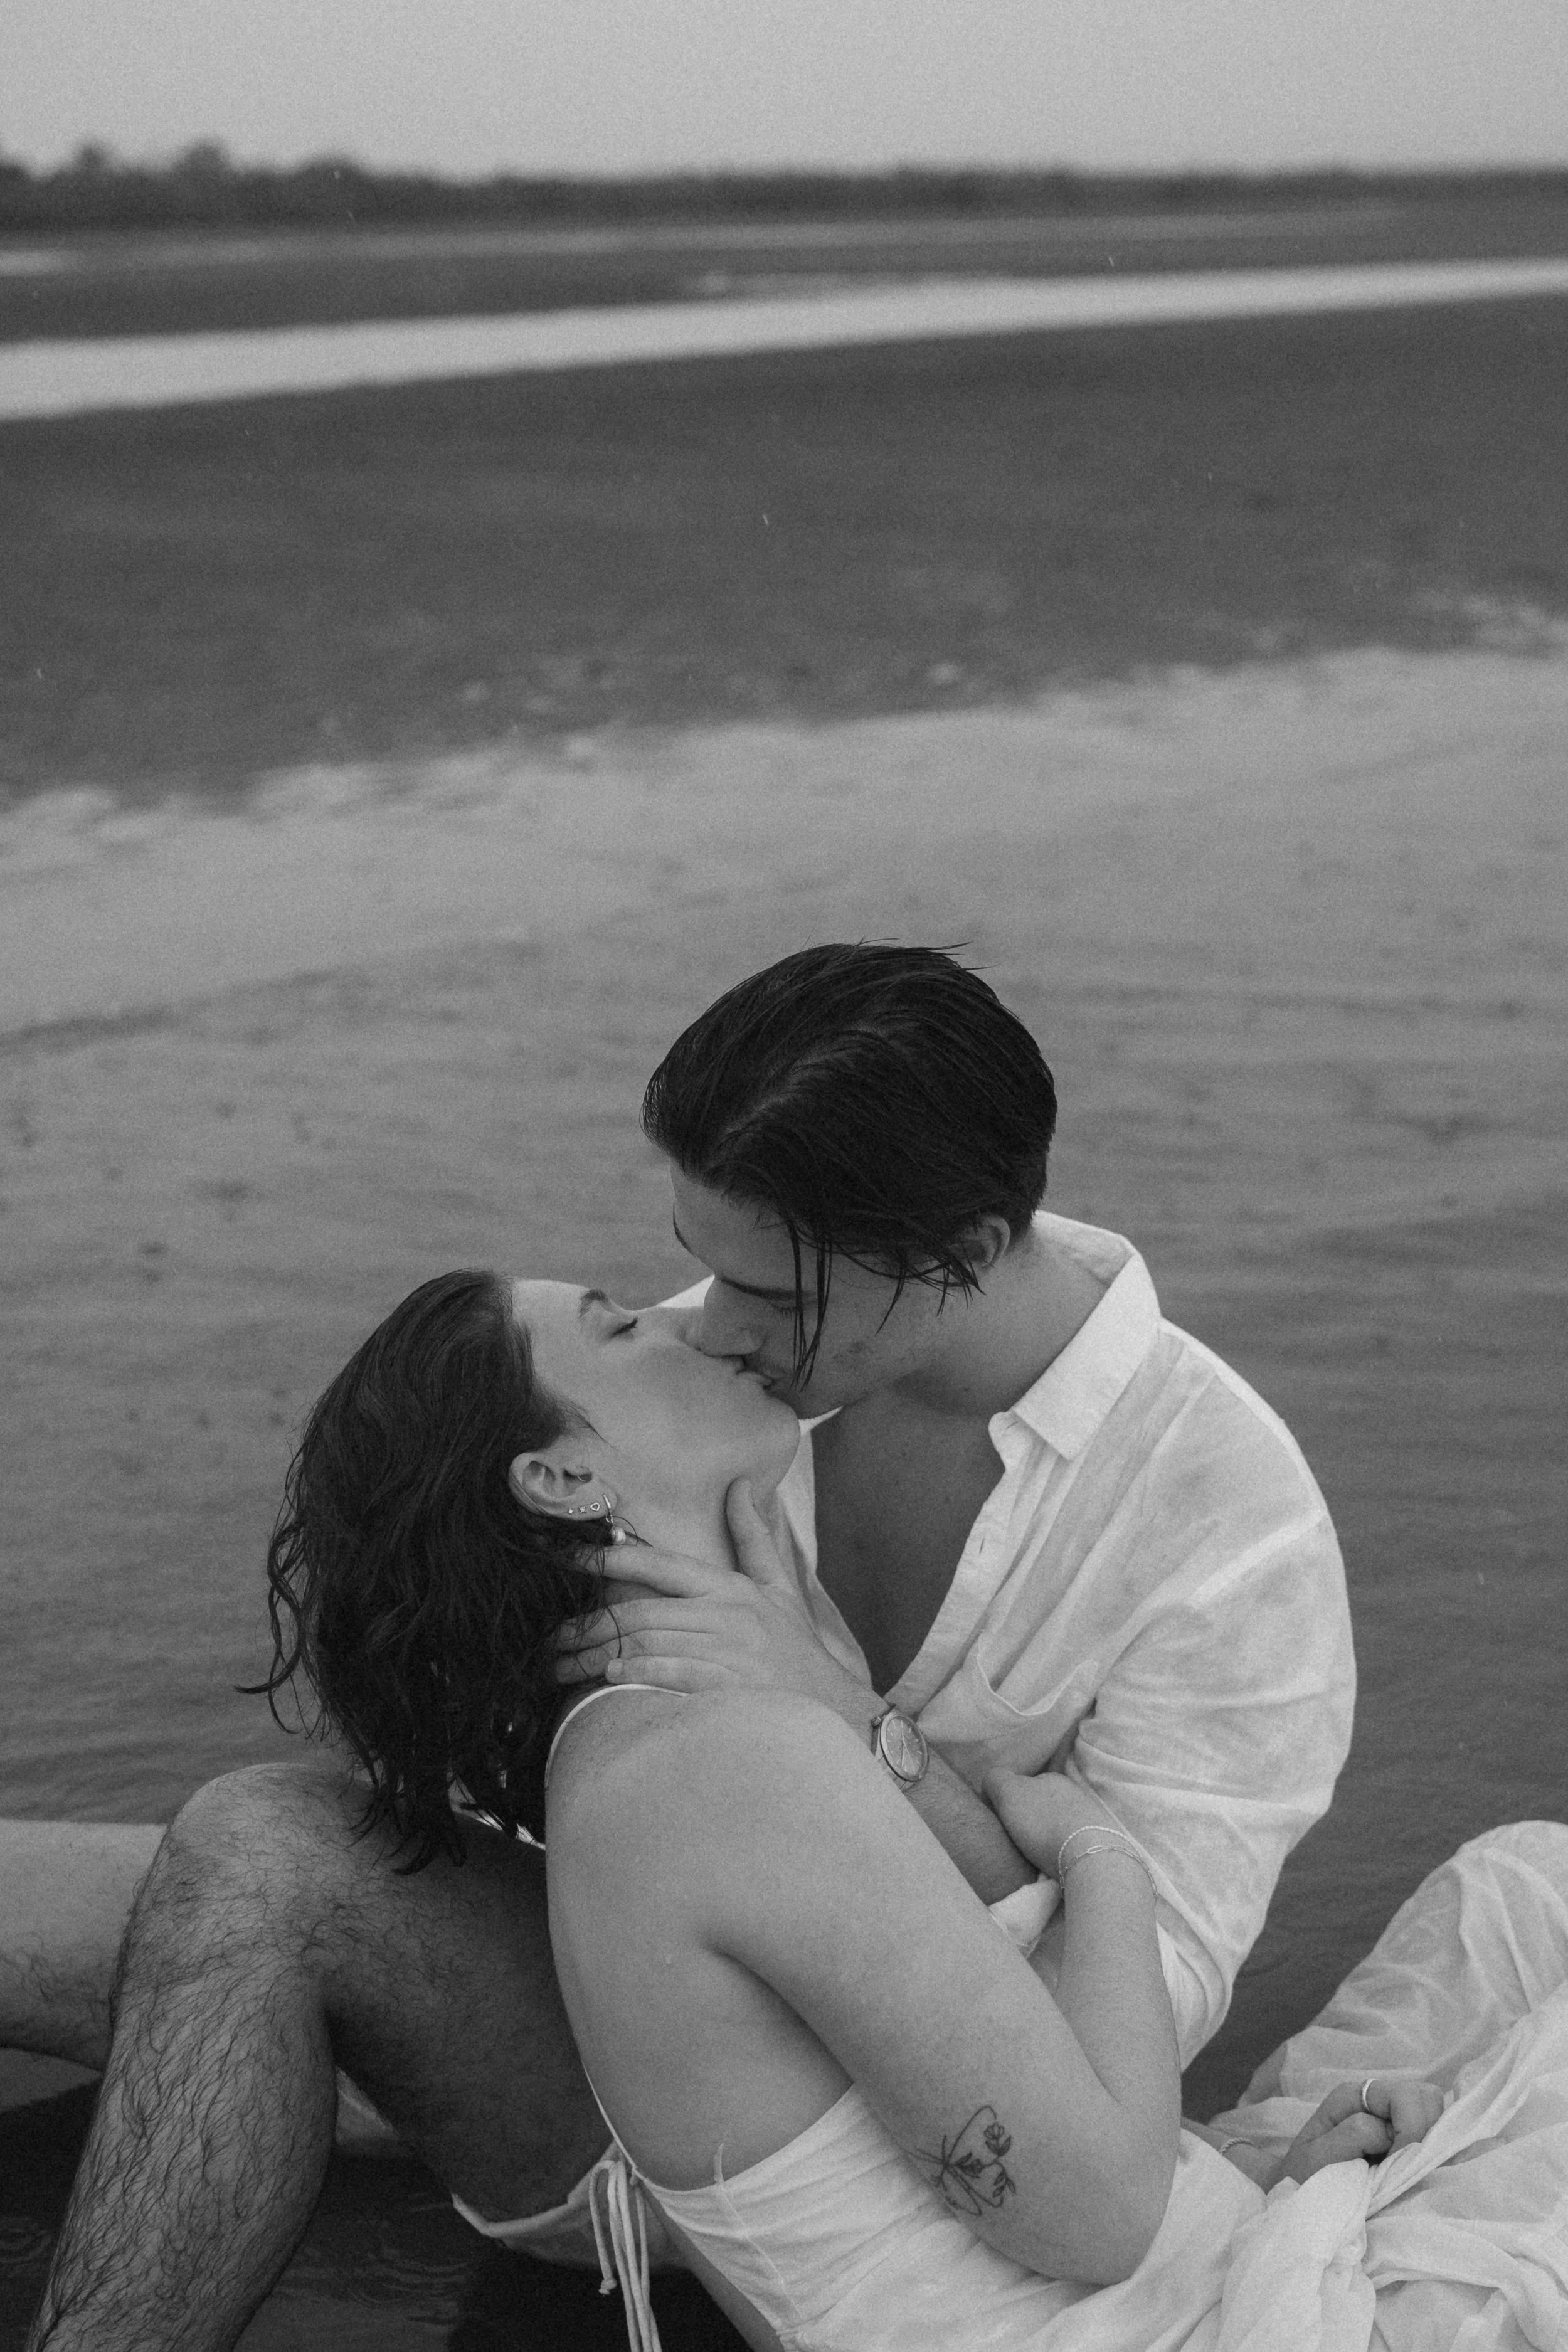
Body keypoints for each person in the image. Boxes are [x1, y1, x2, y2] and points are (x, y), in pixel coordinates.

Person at [12, 945, 1355, 2341]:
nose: (709, 1323)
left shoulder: (1225, 1524)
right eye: (702, 1266)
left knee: (257, 1862)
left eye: (776, 1296)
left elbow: (1151, 2013)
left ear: (957, 1258)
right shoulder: (702, 1382)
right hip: (612, 2008)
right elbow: (470, 1663)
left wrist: (863, 1734)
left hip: (897, 2158)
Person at [33, 1269, 1566, 2352]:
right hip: (1146, 2309)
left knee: (1524, 1885)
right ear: (561, 1481)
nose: (696, 1318)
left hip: (1114, 2272)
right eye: (621, 1325)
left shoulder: (642, 1743)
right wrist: (1098, 1856)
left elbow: (948, 2179)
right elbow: (1092, 2218)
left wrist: (1248, 2199)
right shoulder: (723, 1766)